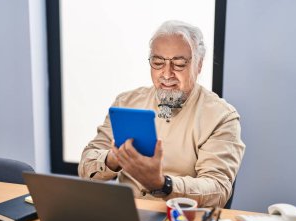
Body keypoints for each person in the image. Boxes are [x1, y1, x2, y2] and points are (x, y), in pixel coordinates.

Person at [78, 20, 245, 208]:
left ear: (199, 65)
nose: (166, 74)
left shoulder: (221, 117)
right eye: (158, 63)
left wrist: (162, 184)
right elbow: (86, 166)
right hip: (127, 215)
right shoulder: (127, 102)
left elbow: (218, 189)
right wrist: (116, 158)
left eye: (179, 64)